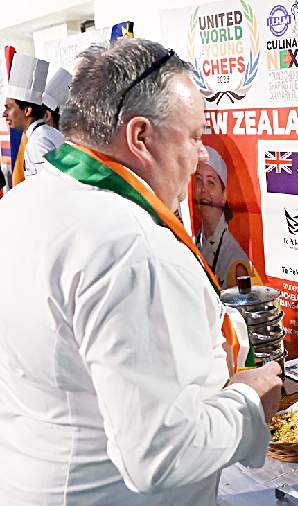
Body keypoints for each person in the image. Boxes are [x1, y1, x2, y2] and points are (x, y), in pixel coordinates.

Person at [0, 38, 282, 505]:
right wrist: (250, 401)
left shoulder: (24, 204)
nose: (202, 158)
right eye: (194, 137)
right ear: (139, 137)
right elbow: (160, 455)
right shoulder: (128, 245)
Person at [193, 144, 258, 288]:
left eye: (211, 183)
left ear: (224, 195)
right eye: (198, 180)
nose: (203, 190)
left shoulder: (236, 258)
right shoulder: (193, 240)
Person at [3, 53, 63, 185]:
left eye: (9, 108)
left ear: (27, 110)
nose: (4, 114)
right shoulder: (42, 134)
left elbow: (50, 186)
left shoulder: (39, 140)